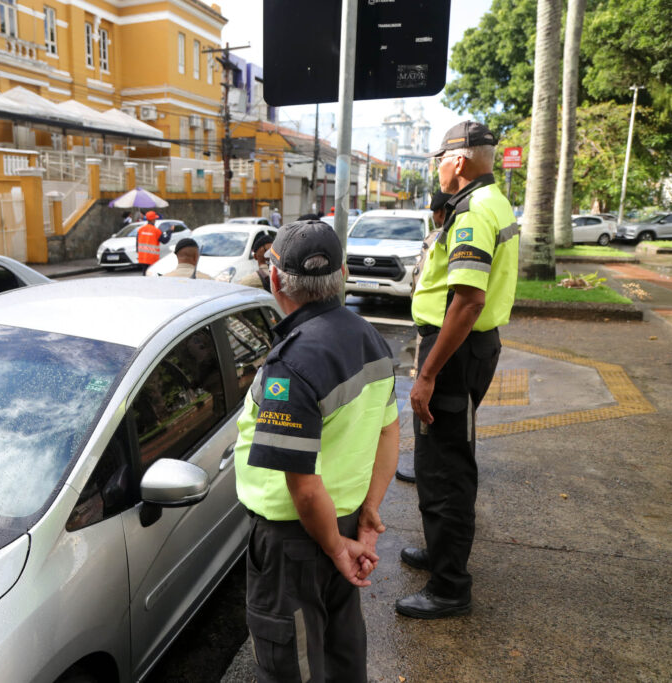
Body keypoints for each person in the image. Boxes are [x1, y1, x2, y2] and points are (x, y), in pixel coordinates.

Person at [234, 220, 399, 682]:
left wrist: (333, 546)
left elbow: (303, 487)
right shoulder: (370, 338)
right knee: (343, 655)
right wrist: (367, 514)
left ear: (275, 279)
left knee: (297, 666)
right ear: (343, 273)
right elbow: (389, 432)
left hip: (297, 545)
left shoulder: (292, 364)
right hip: (344, 522)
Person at [396, 121, 519, 619]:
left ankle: (450, 587)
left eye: (439, 159)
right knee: (438, 456)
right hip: (467, 348)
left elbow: (467, 301)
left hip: (455, 352)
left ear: (459, 160)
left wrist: (427, 374)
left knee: (445, 465)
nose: (437, 168)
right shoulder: (491, 201)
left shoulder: (472, 213)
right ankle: (440, 551)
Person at [395, 189, 452, 484]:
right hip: (448, 328)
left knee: (423, 399)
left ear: (440, 212)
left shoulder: (438, 239)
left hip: (433, 329)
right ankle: (435, 465)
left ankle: (425, 467)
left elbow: (420, 280)